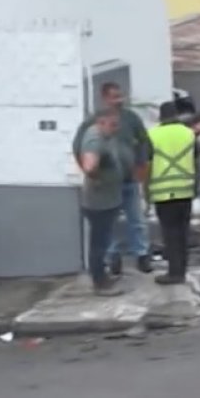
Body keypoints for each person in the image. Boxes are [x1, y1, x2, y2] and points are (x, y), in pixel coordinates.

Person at [73, 82, 152, 276]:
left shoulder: (131, 119)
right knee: (111, 224)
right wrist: (89, 171)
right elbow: (79, 146)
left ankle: (141, 255)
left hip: (128, 179)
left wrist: (141, 166)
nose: (119, 100)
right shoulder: (93, 123)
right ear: (105, 98)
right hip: (107, 186)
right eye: (114, 97)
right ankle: (112, 257)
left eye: (120, 96)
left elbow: (144, 143)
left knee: (136, 219)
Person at [77, 109, 134, 296]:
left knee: (102, 240)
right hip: (99, 202)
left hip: (108, 200)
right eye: (113, 125)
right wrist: (97, 178)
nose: (116, 129)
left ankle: (103, 277)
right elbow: (89, 165)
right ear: (101, 122)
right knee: (99, 244)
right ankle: (99, 283)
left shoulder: (104, 135)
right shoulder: (95, 139)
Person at [146, 101, 197, 285]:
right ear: (177, 115)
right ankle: (181, 270)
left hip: (162, 193)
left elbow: (147, 165)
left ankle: (173, 273)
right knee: (183, 232)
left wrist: (146, 191)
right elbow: (196, 161)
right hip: (185, 190)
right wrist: (195, 186)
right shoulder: (189, 134)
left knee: (170, 233)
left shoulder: (152, 135)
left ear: (160, 117)